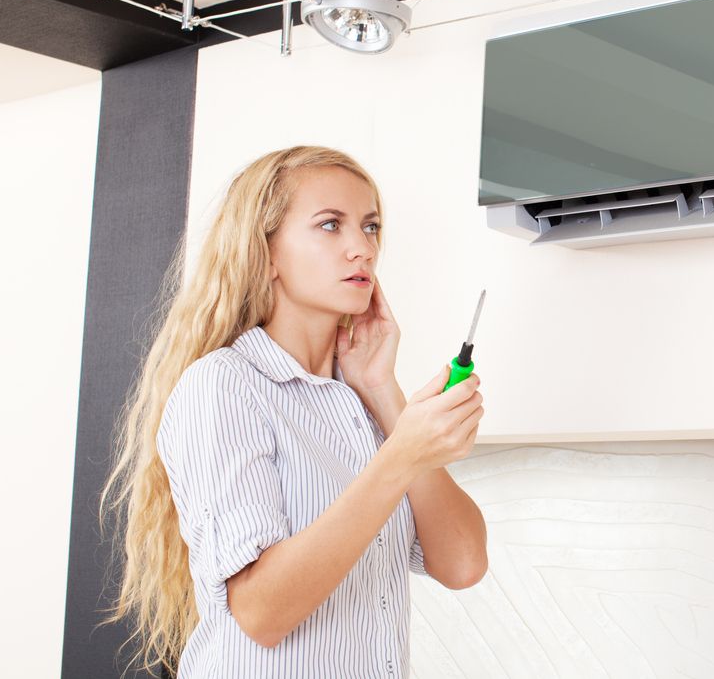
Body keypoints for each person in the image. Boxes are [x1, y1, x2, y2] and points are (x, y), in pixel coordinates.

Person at [97, 145, 488, 677]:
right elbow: (261, 611)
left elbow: (463, 565)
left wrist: (382, 390)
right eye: (331, 225)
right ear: (267, 252)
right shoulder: (223, 386)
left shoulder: (361, 404)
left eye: (370, 227)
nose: (363, 249)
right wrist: (400, 457)